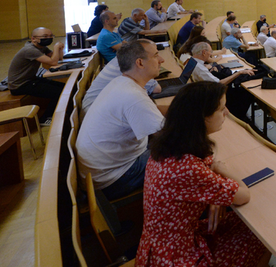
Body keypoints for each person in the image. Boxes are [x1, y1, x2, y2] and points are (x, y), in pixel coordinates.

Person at [137, 81, 269, 267]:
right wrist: (224, 171)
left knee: (241, 223)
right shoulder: (188, 168)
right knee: (261, 234)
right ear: (202, 118)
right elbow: (243, 194)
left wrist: (214, 196)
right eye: (221, 109)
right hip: (175, 257)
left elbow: (206, 167)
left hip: (161, 245)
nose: (227, 113)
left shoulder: (168, 146)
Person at [77, 40, 167, 199]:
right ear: (140, 63)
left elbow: (153, 116)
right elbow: (170, 136)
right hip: (112, 180)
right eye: (156, 55)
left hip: (100, 174)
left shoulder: (121, 82)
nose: (162, 60)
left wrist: (181, 109)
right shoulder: (133, 96)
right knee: (182, 157)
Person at [7, 27, 65, 120]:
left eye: (51, 36)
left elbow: (59, 59)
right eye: (45, 36)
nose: (49, 38)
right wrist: (55, 47)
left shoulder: (41, 47)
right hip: (20, 85)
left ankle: (62, 112)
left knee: (63, 87)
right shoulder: (30, 50)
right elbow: (53, 62)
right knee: (58, 92)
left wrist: (60, 49)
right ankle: (46, 118)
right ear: (33, 38)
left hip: (31, 79)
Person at [81, 56, 160, 118]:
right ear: (139, 61)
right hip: (96, 114)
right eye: (155, 55)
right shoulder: (130, 66)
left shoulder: (122, 59)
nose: (161, 59)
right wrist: (150, 70)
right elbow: (157, 89)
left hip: (94, 109)